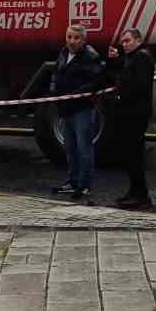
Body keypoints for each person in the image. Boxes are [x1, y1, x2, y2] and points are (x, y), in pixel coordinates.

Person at [50, 24, 104, 201]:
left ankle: (84, 185)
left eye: (76, 38)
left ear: (83, 39)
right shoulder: (63, 53)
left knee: (84, 148)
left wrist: (76, 95)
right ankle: (72, 182)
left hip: (82, 109)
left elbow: (97, 81)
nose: (72, 41)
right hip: (65, 109)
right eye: (69, 37)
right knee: (70, 147)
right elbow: (57, 74)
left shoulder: (91, 56)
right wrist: (54, 92)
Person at [105, 27, 156, 210]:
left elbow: (137, 86)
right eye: (123, 41)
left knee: (134, 156)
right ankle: (134, 192)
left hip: (135, 114)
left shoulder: (142, 58)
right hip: (130, 113)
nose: (124, 45)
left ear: (138, 40)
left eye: (128, 41)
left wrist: (118, 96)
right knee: (129, 155)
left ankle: (141, 196)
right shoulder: (133, 57)